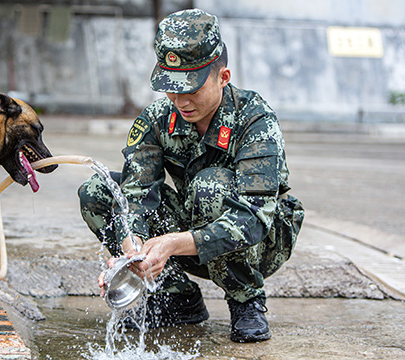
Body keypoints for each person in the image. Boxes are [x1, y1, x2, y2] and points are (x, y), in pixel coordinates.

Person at [78, 9, 304, 343]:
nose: (180, 101)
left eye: (192, 89)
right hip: (193, 227)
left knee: (208, 186)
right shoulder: (157, 119)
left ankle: (246, 299)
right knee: (98, 190)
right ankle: (176, 296)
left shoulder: (255, 119)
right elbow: (137, 194)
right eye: (172, 88)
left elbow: (255, 216)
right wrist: (133, 250)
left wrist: (172, 243)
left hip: (261, 241)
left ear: (223, 77)